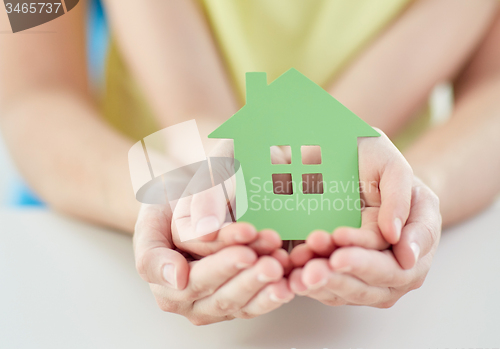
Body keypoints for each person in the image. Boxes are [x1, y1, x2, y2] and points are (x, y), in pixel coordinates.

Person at [0, 0, 499, 325]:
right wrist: (162, 192)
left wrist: (418, 192)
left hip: (399, 283)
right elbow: (34, 91)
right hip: (105, 232)